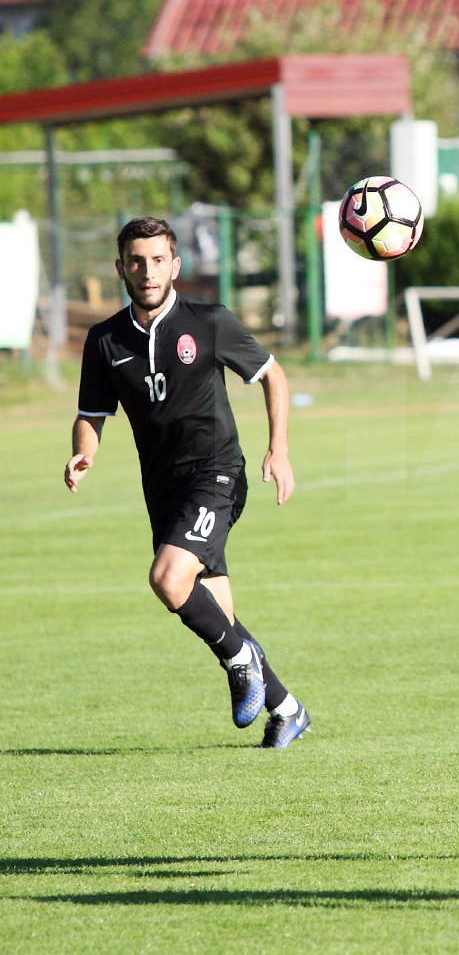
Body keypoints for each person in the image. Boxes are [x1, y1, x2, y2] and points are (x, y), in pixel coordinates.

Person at [65, 217, 309, 748]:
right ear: (120, 268)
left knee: (168, 578)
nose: (147, 272)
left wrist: (279, 449)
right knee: (215, 613)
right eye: (136, 261)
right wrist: (83, 452)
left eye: (158, 261)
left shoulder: (210, 321)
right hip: (163, 489)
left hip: (217, 474)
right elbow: (92, 412)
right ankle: (288, 709)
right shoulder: (104, 341)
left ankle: (243, 660)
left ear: (175, 265)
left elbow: (272, 374)